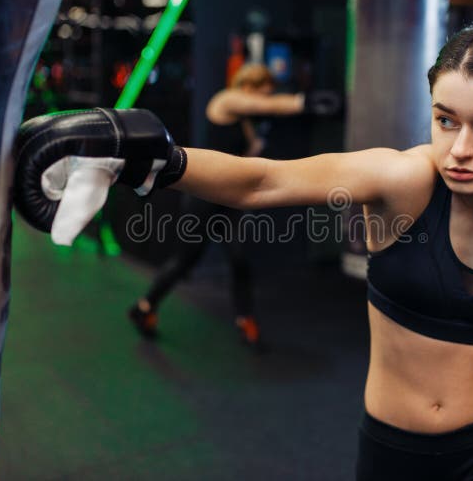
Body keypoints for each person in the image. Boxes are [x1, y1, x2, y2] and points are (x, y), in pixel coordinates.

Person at [14, 19, 473, 480]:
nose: (460, 149)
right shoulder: (406, 180)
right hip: (393, 448)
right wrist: (148, 156)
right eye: (445, 120)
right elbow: (265, 181)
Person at [128, 63, 342, 347]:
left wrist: (260, 142)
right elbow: (270, 105)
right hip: (203, 195)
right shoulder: (225, 100)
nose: (264, 100)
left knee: (240, 259)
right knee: (185, 260)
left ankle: (245, 320)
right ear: (250, 87)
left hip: (229, 198)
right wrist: (305, 102)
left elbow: (248, 154)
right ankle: (145, 306)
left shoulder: (244, 120)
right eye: (262, 94)